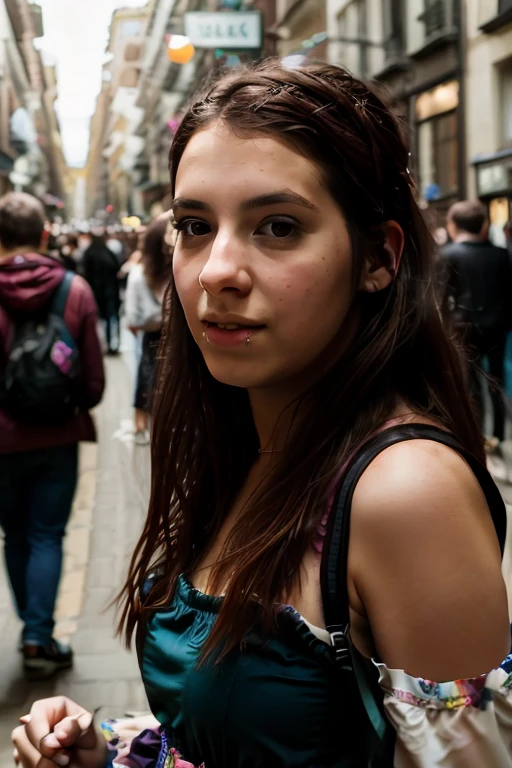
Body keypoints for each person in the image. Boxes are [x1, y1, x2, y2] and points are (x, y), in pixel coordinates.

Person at [12, 62, 512, 767]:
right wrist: (115, 755)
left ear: (378, 256)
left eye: (277, 226)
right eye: (193, 225)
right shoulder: (247, 442)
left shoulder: (406, 493)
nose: (216, 269)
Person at [0, 192, 105, 676]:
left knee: (15, 536)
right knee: (47, 534)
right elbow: (94, 382)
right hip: (59, 436)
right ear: (45, 234)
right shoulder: (74, 289)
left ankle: (33, 629)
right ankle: (39, 637)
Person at [441, 200, 512, 451]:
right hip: (498, 325)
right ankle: (500, 434)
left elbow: (441, 298)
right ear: (484, 225)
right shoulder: (501, 255)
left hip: (462, 327)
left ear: (452, 226)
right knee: (497, 379)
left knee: (468, 382)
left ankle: (477, 434)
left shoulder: (447, 255)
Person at [125, 215, 172, 445]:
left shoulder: (177, 271)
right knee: (148, 379)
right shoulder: (139, 275)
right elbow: (133, 318)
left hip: (161, 338)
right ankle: (144, 424)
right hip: (155, 338)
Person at [83, 229, 122, 355]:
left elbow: (86, 273)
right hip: (110, 292)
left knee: (98, 320)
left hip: (96, 292)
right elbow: (117, 268)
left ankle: (99, 345)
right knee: (111, 319)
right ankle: (112, 344)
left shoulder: (89, 252)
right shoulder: (108, 252)